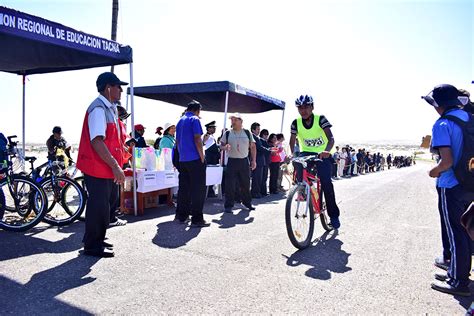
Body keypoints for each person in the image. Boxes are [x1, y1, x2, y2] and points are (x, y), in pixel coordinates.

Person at [422, 84, 472, 297]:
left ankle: (458, 281)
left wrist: (434, 171)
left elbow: (447, 161)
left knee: (455, 232)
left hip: (451, 185)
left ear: (439, 104)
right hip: (471, 182)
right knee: (468, 230)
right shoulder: (470, 117)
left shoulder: (442, 123)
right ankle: (458, 272)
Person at [76, 72, 127, 258]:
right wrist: (115, 165)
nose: (121, 90)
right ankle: (92, 245)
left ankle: (98, 238)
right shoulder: (98, 108)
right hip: (98, 168)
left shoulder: (110, 108)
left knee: (108, 204)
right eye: (118, 86)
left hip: (105, 168)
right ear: (108, 88)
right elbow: (97, 141)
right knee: (99, 207)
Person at [289, 94, 341, 229]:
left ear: (312, 107)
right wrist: (293, 154)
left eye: (306, 107)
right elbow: (292, 141)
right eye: (300, 108)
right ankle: (302, 190)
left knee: (326, 183)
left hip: (322, 153)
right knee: (297, 164)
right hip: (306, 153)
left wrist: (327, 151)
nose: (303, 110)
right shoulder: (296, 123)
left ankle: (334, 215)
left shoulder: (320, 119)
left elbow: (331, 138)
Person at [175, 101, 209, 227]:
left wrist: (181, 154)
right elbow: (197, 139)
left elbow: (177, 141)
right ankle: (197, 218)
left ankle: (182, 215)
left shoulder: (180, 120)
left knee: (184, 189)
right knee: (198, 190)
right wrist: (202, 156)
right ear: (198, 110)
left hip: (183, 159)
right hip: (194, 159)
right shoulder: (195, 119)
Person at [220, 112, 256, 213]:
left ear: (241, 121)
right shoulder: (227, 133)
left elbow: (253, 147)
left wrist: (253, 161)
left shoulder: (247, 133)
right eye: (232, 120)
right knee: (230, 185)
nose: (233, 122)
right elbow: (221, 145)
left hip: (244, 161)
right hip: (232, 161)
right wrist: (224, 147)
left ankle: (247, 203)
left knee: (245, 184)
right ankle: (228, 205)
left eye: (235, 120)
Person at [203, 121, 220, 197]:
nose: (214, 129)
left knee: (212, 176)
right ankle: (208, 192)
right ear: (209, 129)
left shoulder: (212, 137)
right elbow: (204, 145)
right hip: (209, 159)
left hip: (214, 159)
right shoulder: (206, 136)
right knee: (209, 176)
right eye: (213, 128)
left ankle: (210, 191)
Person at [250, 122, 266, 199]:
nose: (259, 131)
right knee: (256, 178)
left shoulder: (257, 137)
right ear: (253, 130)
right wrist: (270, 151)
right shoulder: (253, 137)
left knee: (258, 178)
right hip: (257, 160)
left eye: (259, 129)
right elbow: (259, 148)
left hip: (260, 160)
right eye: (257, 129)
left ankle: (256, 192)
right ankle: (255, 193)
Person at [259, 129, 271, 196]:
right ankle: (262, 192)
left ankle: (264, 191)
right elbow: (264, 149)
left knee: (265, 177)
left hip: (266, 161)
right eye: (265, 134)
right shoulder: (261, 140)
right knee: (263, 177)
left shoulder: (265, 141)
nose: (266, 136)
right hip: (263, 161)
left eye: (267, 134)